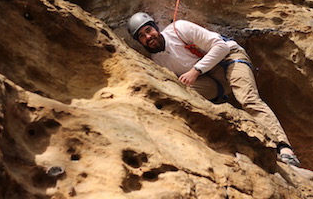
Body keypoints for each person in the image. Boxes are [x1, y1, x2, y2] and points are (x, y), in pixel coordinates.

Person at [127, 12, 301, 167]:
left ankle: (284, 149)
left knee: (247, 99)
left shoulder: (179, 29)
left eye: (148, 30)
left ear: (156, 28)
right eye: (141, 36)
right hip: (212, 81)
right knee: (177, 92)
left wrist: (195, 71)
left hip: (230, 58)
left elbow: (221, 46)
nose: (148, 37)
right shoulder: (158, 60)